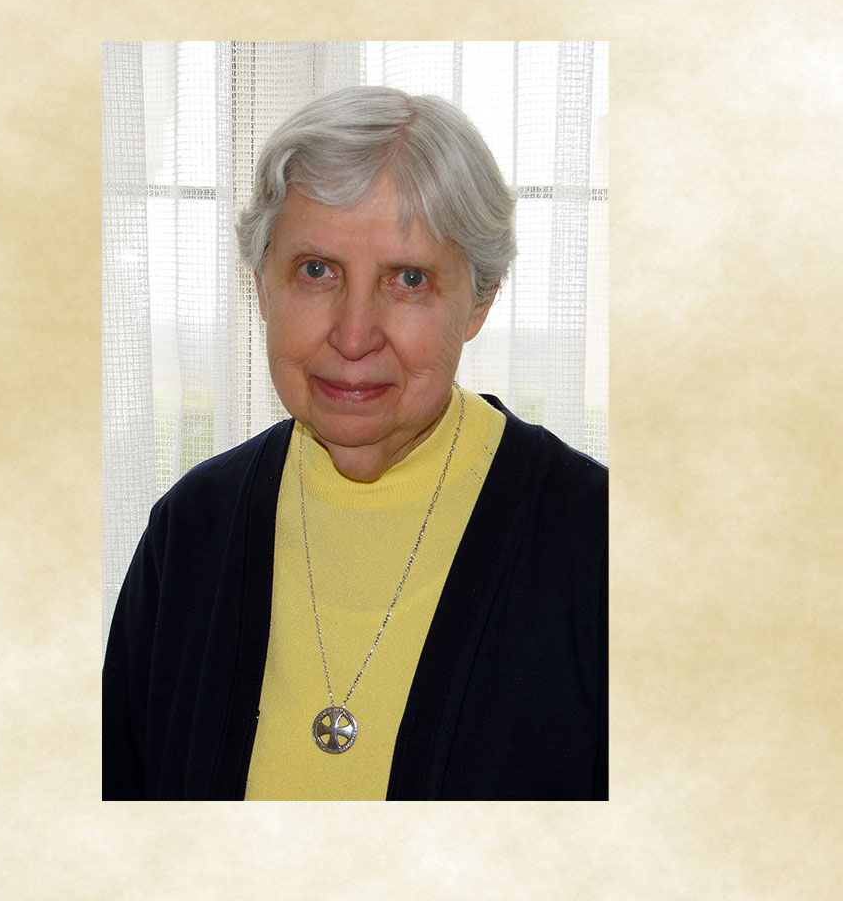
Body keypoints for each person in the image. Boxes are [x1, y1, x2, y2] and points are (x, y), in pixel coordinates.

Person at [103, 86, 607, 800]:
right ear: (262, 286)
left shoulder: (599, 544)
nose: (354, 334)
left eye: (409, 279)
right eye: (317, 271)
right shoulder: (191, 529)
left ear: (480, 300)